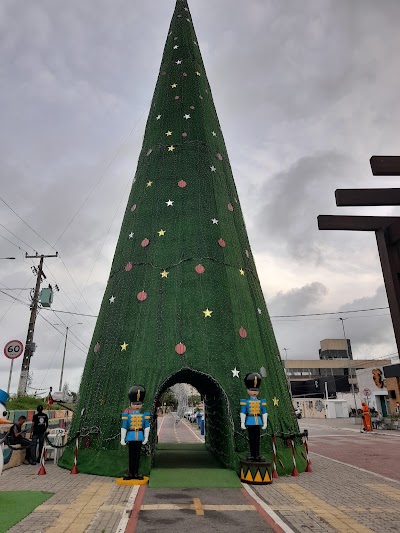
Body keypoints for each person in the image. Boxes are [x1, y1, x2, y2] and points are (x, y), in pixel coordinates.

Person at [120, 385, 150, 480]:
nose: (137, 406)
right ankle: (130, 473)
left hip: (140, 436)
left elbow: (147, 427)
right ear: (131, 404)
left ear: (142, 404)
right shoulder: (127, 415)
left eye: (139, 404)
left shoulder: (144, 415)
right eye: (135, 404)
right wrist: (122, 438)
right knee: (131, 455)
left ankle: (136, 473)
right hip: (130, 436)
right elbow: (124, 427)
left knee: (137, 456)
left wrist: (146, 437)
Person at [240, 372, 268, 461]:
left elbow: (264, 412)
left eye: (256, 390)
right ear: (248, 390)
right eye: (252, 390)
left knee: (257, 439)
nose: (254, 392)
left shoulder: (261, 402)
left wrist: (265, 422)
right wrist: (242, 422)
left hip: (258, 421)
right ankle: (252, 455)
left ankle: (257, 455)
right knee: (251, 439)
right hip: (250, 421)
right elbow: (243, 412)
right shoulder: (245, 402)